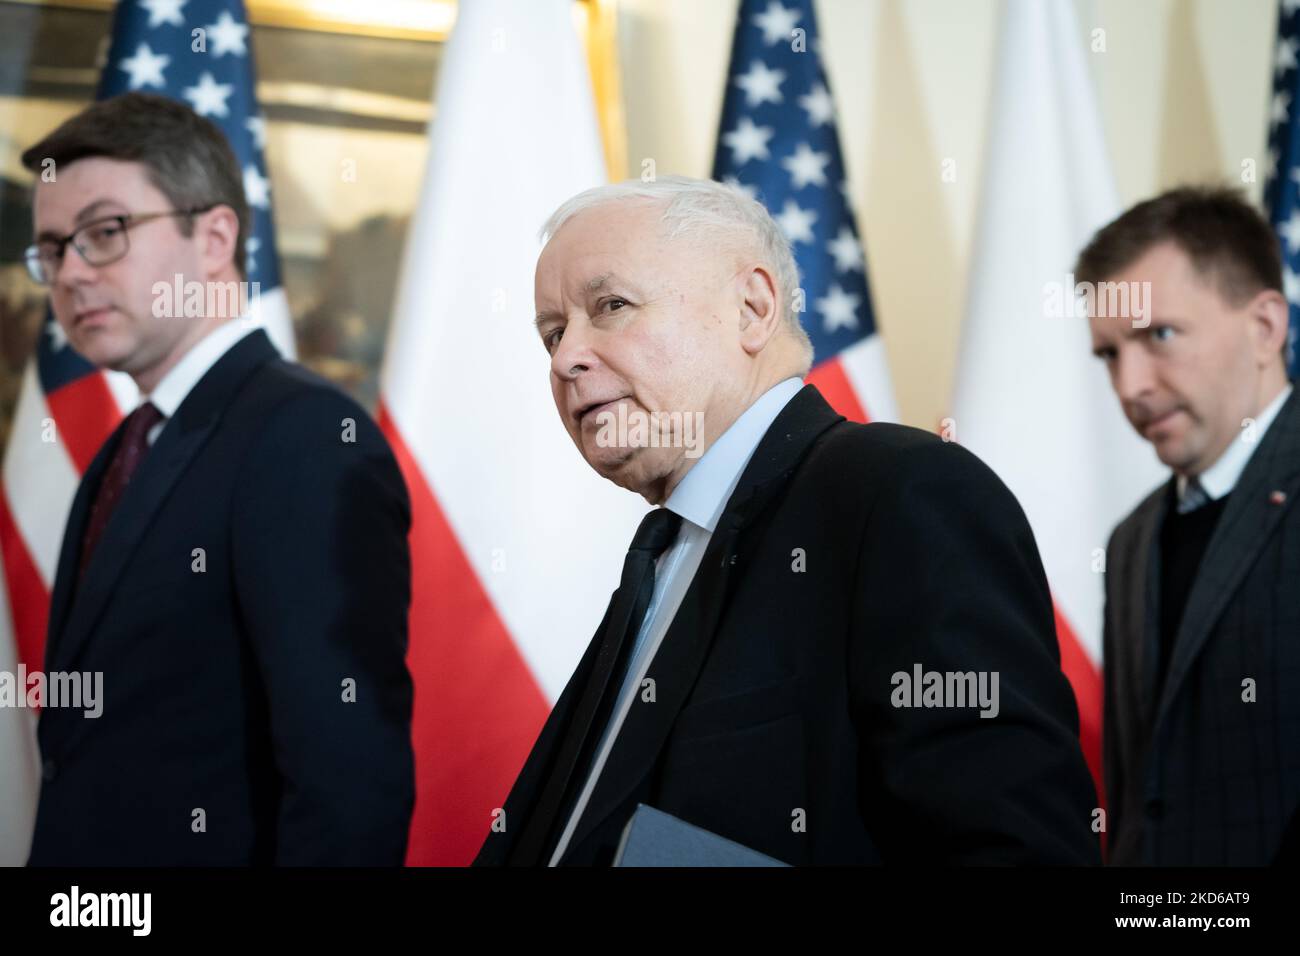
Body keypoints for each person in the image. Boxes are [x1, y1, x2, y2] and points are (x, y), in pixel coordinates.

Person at [474, 176, 1100, 866]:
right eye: (554, 333)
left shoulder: (901, 494)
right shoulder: (663, 551)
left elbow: (1015, 849)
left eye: (611, 306)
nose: (566, 359)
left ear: (752, 308)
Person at [20, 92, 414, 865]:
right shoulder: (127, 445)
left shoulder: (304, 438)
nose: (69, 272)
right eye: (52, 247)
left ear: (214, 237)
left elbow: (348, 785)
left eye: (104, 233)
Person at [1078, 186, 1300, 865]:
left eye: (1159, 336)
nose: (1129, 386)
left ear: (1264, 328)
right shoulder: (1132, 540)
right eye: (1110, 354)